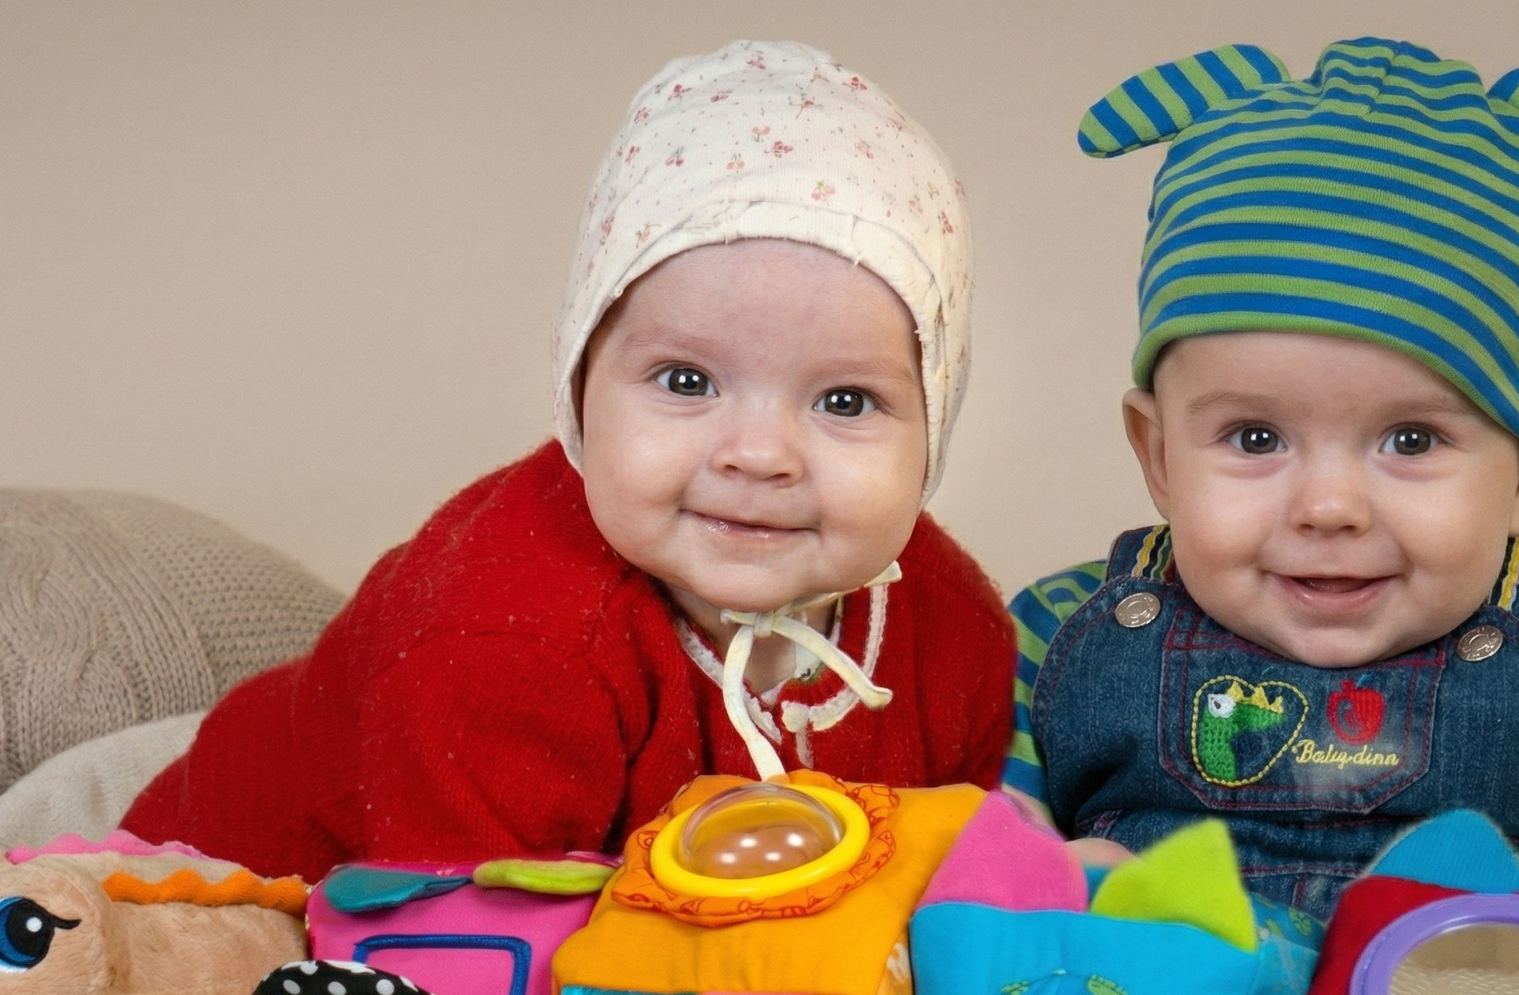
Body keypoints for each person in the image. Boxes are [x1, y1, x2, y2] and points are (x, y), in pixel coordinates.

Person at [121, 40, 1013, 881]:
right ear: (579, 385)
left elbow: (933, 911)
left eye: (844, 402)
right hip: (249, 893)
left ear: (933, 421)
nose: (757, 454)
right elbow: (464, 968)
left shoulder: (953, 632)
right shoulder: (507, 637)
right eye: (688, 379)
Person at [1001, 37, 1519, 972]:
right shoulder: (1054, 634)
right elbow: (963, 872)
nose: (1329, 508)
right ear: (1158, 455)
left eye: (1411, 440)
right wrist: (1034, 881)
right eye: (1255, 438)